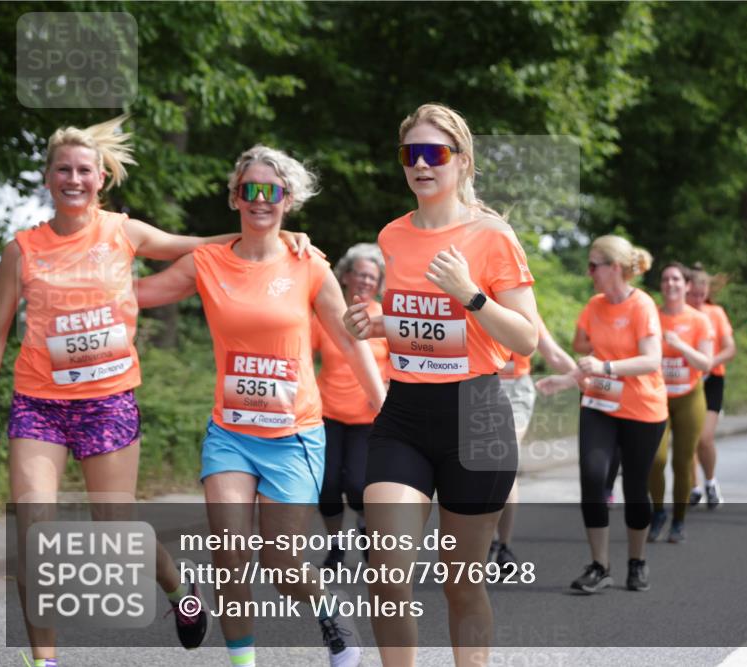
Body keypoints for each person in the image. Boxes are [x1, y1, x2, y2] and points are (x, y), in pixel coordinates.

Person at [0, 117, 307, 666]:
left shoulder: (123, 233)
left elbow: (203, 245)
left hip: (108, 401)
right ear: (47, 178)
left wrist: (276, 239)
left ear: (101, 179)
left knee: (116, 528)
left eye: (84, 170)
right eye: (62, 169)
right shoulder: (23, 250)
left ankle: (177, 588)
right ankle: (43, 661)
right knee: (33, 529)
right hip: (39, 403)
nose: (73, 178)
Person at [137, 144, 384, 667]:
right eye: (248, 190)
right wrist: (76, 276)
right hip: (231, 432)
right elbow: (137, 293)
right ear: (234, 198)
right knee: (229, 553)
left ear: (287, 200)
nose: (258, 200)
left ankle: (327, 610)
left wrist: (383, 406)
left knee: (282, 563)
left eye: (269, 191)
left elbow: (347, 338)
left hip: (293, 434)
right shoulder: (206, 262)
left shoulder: (308, 263)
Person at [342, 103, 537, 667]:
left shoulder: (492, 236)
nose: (421, 164)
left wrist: (470, 292)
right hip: (404, 415)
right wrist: (378, 322)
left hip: (475, 416)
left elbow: (523, 339)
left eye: (435, 153)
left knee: (461, 586)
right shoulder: (393, 235)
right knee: (386, 575)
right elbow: (425, 326)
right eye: (411, 154)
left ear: (462, 160)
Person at [537, 235, 665, 592]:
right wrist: (565, 381)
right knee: (593, 479)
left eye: (594, 265)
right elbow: (584, 354)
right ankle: (600, 565)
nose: (589, 271)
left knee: (636, 487)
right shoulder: (594, 306)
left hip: (642, 408)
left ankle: (637, 562)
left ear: (616, 268)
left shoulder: (642, 306)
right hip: (600, 404)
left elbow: (652, 360)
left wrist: (607, 365)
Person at [314, 243, 390, 568]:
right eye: (358, 274)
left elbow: (401, 363)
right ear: (344, 277)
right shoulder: (326, 317)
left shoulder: (385, 321)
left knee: (358, 485)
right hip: (326, 411)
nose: (364, 281)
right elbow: (301, 356)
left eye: (371, 276)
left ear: (379, 282)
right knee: (328, 485)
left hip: (368, 415)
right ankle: (335, 546)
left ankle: (364, 523)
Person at [491, 318, 577, 571]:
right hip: (477, 387)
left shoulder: (523, 309)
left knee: (504, 460)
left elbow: (553, 354)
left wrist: (577, 377)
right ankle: (489, 541)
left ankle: (503, 547)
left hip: (515, 390)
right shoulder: (471, 299)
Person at [647, 262, 714, 542]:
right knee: (656, 459)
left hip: (689, 397)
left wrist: (680, 345)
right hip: (656, 397)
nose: (670, 284)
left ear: (687, 286)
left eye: (676, 279)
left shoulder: (699, 320)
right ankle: (658, 512)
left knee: (683, 462)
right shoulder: (651, 316)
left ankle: (679, 520)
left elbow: (706, 363)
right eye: (665, 279)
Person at [686, 263, 735, 509]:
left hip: (711, 378)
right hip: (684, 379)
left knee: (704, 437)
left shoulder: (715, 313)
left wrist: (709, 361)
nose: (697, 299)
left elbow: (730, 348)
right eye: (693, 294)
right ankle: (693, 486)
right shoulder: (678, 313)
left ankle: (711, 481)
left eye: (701, 295)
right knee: (688, 436)